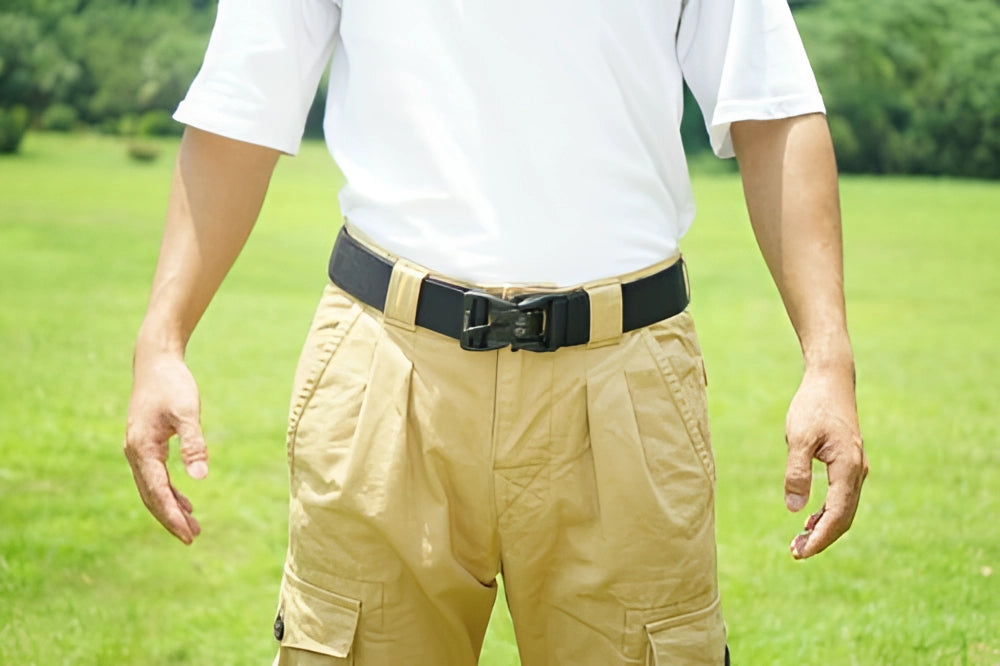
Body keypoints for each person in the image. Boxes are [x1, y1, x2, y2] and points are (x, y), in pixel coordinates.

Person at [123, 0, 869, 663]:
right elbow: (241, 103)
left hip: (624, 380)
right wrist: (162, 341)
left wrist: (828, 362)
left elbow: (772, 107)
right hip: (385, 376)